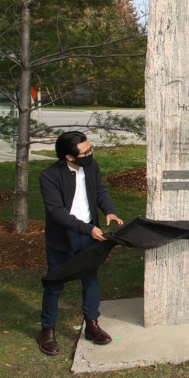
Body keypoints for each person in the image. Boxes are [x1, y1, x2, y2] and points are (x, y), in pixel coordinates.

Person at [37, 131, 123, 356]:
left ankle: (92, 325)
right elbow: (57, 213)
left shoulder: (92, 167)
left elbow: (100, 191)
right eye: (85, 152)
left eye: (90, 149)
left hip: (88, 236)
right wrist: (88, 229)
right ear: (69, 157)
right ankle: (47, 330)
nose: (90, 154)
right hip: (63, 238)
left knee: (90, 279)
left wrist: (110, 210)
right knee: (54, 284)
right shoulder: (49, 177)